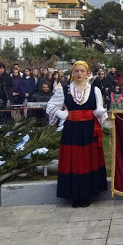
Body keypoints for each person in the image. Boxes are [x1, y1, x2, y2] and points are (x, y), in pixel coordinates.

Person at [46, 61, 108, 208]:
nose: (79, 74)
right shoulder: (65, 90)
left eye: (82, 71)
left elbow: (99, 107)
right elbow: (50, 105)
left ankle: (87, 193)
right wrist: (62, 113)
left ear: (88, 73)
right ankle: (75, 195)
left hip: (88, 129)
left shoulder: (94, 90)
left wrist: (99, 113)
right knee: (73, 160)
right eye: (77, 71)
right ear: (72, 73)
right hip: (72, 130)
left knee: (88, 159)